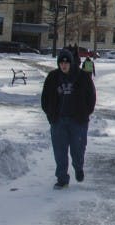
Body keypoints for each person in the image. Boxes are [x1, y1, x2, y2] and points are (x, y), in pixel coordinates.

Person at [41, 48, 96, 189]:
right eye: (61, 63)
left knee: (78, 149)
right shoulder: (53, 78)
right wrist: (51, 115)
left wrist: (85, 113)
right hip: (58, 121)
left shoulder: (82, 77)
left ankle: (78, 167)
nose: (64, 65)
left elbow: (91, 97)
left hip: (78, 121)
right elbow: (45, 99)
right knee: (60, 152)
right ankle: (62, 178)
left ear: (71, 63)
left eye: (66, 62)